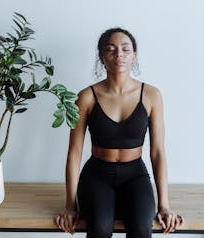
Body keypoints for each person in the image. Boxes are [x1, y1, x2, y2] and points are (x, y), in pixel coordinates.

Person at [56, 27, 184, 238]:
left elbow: (158, 152)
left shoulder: (151, 95)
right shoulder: (86, 97)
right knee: (100, 228)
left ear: (134, 55)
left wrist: (164, 206)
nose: (119, 55)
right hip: (97, 175)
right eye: (111, 49)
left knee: (142, 229)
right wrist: (70, 205)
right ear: (102, 56)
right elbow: (74, 153)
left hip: (135, 175)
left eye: (125, 49)